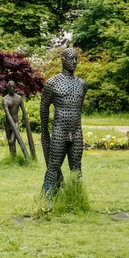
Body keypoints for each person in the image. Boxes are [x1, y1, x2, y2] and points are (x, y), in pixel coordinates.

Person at [40, 48, 87, 194]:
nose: (74, 62)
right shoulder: (52, 83)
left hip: (76, 130)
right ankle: (46, 198)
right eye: (71, 59)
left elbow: (77, 108)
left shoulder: (82, 84)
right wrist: (44, 131)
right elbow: (44, 108)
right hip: (59, 129)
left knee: (76, 167)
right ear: (63, 59)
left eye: (76, 59)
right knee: (53, 166)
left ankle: (77, 197)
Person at [2, 80, 36, 160]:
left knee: (12, 140)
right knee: (10, 142)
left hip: (16, 122)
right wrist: (11, 125)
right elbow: (8, 114)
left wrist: (26, 123)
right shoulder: (5, 99)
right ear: (7, 88)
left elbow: (24, 112)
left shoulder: (19, 98)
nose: (12, 88)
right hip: (8, 123)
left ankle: (15, 159)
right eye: (10, 87)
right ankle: (13, 159)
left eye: (13, 86)